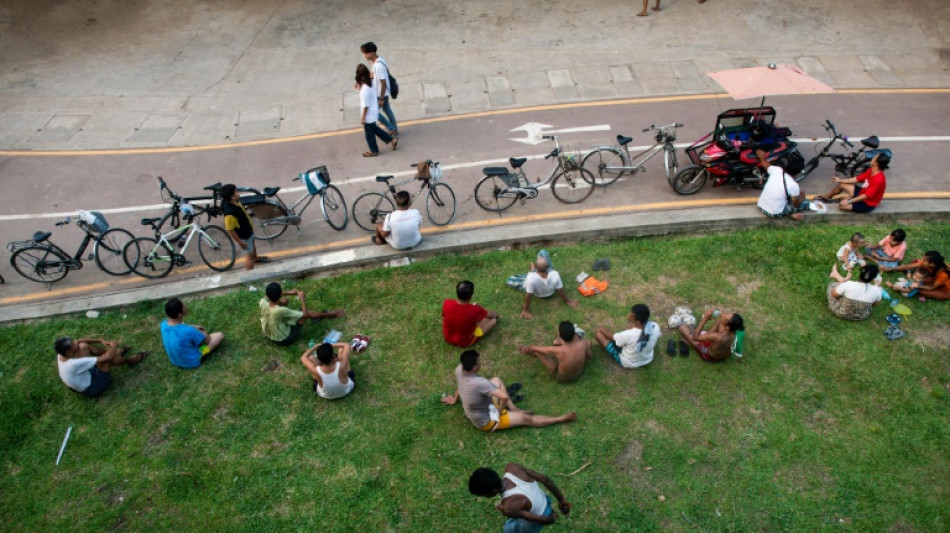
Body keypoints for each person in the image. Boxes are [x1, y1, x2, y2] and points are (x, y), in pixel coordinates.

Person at [441, 350, 577, 431]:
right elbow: (504, 397)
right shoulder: (480, 383)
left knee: (497, 380)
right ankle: (560, 419)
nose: (481, 362)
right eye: (479, 361)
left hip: (479, 407)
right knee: (526, 419)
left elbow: (459, 385)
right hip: (486, 420)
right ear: (474, 368)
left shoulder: (459, 369)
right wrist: (498, 414)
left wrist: (455, 398)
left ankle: (514, 408)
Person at [468, 463, 572, 532]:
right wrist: (561, 499)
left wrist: (550, 519)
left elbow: (533, 518)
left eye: (483, 494)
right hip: (544, 499)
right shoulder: (513, 468)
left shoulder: (508, 508)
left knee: (509, 529)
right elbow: (544, 479)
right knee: (509, 510)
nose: (484, 497)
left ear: (493, 491)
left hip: (539, 517)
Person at [55, 336, 147, 397]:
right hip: (93, 387)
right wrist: (113, 346)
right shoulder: (73, 364)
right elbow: (108, 357)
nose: (76, 344)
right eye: (73, 345)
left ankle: (116, 353)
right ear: (68, 351)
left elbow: (79, 341)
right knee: (106, 359)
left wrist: (99, 340)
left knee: (83, 346)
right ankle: (131, 360)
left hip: (85, 376)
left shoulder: (61, 355)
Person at [260, 282, 345, 346]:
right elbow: (305, 314)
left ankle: (320, 316)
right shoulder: (281, 311)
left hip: (269, 334)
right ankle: (330, 314)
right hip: (283, 339)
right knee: (303, 313)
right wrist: (302, 298)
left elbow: (271, 298)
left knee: (292, 312)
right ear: (280, 295)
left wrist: (288, 293)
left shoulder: (262, 302)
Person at [519, 321, 592, 384]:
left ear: (560, 335)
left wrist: (528, 348)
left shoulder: (558, 350)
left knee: (538, 352)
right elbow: (589, 355)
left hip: (563, 379)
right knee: (586, 344)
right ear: (574, 333)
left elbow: (537, 348)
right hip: (578, 374)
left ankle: (529, 352)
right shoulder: (583, 343)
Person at [161, 297, 225, 369]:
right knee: (219, 335)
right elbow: (207, 340)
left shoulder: (163, 324)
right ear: (179, 314)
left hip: (176, 361)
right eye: (184, 306)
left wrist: (193, 327)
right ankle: (200, 355)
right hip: (192, 361)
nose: (186, 306)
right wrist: (202, 330)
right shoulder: (189, 330)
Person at [813, 152, 889, 212]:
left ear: (876, 163)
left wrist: (849, 201)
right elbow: (857, 179)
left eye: (875, 157)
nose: (872, 158)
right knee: (842, 185)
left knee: (842, 206)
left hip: (867, 203)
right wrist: (840, 180)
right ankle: (827, 197)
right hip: (862, 193)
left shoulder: (879, 179)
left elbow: (866, 196)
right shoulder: (871, 170)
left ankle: (847, 198)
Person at [594, 303, 661, 369]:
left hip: (629, 362)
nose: (629, 315)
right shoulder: (655, 326)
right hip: (647, 358)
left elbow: (612, 337)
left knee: (598, 335)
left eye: (631, 315)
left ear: (638, 322)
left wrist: (600, 329)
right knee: (629, 339)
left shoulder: (628, 334)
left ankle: (604, 347)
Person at [221, 183, 269, 270]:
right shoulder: (229, 214)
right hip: (243, 236)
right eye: (235, 191)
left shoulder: (236, 201)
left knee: (252, 245)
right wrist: (240, 242)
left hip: (248, 231)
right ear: (232, 197)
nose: (238, 192)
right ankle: (250, 272)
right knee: (248, 255)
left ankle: (255, 258)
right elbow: (230, 230)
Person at [519, 253, 578, 320]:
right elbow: (560, 290)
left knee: (511, 280)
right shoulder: (555, 274)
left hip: (538, 294)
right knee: (543, 252)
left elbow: (529, 295)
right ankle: (534, 268)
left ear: (536, 267)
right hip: (550, 292)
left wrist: (525, 310)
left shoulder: (531, 277)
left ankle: (532, 269)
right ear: (548, 267)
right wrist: (568, 301)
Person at [755, 149, 808, 221]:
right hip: (772, 213)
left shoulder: (777, 170)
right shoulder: (793, 185)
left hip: (760, 206)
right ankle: (790, 214)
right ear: (798, 173)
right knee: (804, 203)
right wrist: (802, 194)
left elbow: (766, 164)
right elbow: (797, 204)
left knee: (787, 196)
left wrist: (761, 157)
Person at [442, 280, 499, 347]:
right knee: (493, 320)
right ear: (471, 295)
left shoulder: (447, 303)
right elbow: (492, 315)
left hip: (447, 337)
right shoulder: (475, 310)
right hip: (465, 341)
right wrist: (495, 314)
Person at [356, 64, 396, 157]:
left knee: (369, 135)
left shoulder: (364, 91)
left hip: (368, 115)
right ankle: (391, 140)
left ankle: (374, 151)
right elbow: (372, 75)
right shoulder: (371, 82)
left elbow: (365, 106)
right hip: (374, 112)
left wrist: (363, 118)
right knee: (376, 130)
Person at [675, 308, 744, 362]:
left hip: (709, 355)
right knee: (720, 321)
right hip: (723, 354)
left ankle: (692, 340)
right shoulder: (736, 330)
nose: (723, 315)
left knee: (682, 328)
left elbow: (695, 338)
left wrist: (705, 319)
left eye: (725, 317)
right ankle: (705, 336)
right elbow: (724, 322)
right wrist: (721, 313)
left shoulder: (718, 337)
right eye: (726, 314)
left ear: (727, 327)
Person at [360, 42, 398, 137]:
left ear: (372, 52)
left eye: (366, 53)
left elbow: (383, 83)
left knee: (374, 113)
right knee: (387, 110)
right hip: (381, 93)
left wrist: (381, 98)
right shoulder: (378, 60)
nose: (365, 55)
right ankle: (394, 128)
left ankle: (391, 128)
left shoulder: (378, 66)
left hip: (380, 93)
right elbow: (374, 75)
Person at [886, 251, 950, 301]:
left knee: (922, 291)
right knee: (920, 276)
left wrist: (917, 286)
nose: (922, 260)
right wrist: (892, 268)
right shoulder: (930, 265)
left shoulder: (943, 275)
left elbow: (932, 288)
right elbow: (908, 266)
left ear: (932, 264)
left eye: (924, 260)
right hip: (933, 280)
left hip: (945, 290)